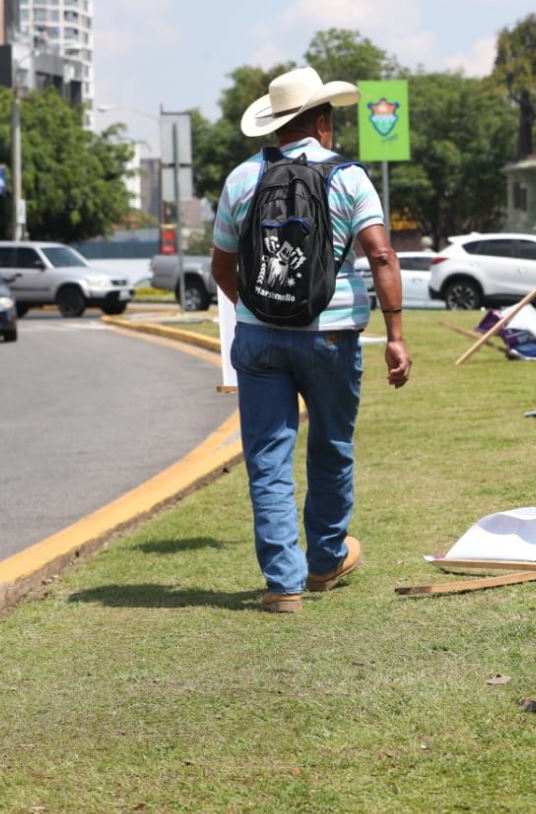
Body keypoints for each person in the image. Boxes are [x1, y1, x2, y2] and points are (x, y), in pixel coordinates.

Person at [210, 66, 412, 613]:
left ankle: (284, 584)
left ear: (276, 125)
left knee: (268, 457)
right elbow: (382, 255)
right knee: (331, 444)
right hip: (333, 335)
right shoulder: (348, 178)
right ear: (322, 124)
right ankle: (325, 560)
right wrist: (395, 335)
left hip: (259, 340)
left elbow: (222, 266)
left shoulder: (242, 179)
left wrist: (256, 307)